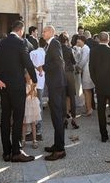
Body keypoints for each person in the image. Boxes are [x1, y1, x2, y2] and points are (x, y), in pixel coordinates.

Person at [0, 20, 37, 162]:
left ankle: (6, 152)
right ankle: (16, 152)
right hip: (17, 86)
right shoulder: (21, 43)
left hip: (3, 86)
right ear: (21, 30)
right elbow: (28, 63)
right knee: (18, 118)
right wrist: (35, 79)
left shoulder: (1, 43)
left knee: (5, 117)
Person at [89, 31, 110, 144]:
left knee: (101, 111)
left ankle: (104, 135)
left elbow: (91, 69)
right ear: (108, 39)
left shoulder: (93, 51)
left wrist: (96, 82)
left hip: (100, 85)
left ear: (99, 39)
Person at [41, 25, 67, 161]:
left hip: (56, 84)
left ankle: (60, 150)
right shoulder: (50, 44)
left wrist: (43, 67)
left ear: (51, 32)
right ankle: (57, 144)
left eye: (44, 31)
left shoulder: (55, 43)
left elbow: (58, 63)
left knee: (57, 115)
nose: (42, 33)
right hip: (55, 83)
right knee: (55, 115)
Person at [59, 33, 79, 129]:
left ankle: (64, 119)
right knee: (72, 97)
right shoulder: (68, 49)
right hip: (69, 73)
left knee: (63, 96)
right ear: (66, 41)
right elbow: (73, 62)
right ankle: (74, 119)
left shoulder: (58, 49)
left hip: (61, 74)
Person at [29, 35, 47, 140]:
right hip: (42, 82)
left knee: (32, 105)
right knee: (39, 105)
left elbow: (29, 66)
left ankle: (34, 130)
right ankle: (38, 129)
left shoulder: (33, 53)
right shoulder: (46, 54)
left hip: (32, 82)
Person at [22, 73, 41, 149]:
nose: (28, 77)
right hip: (26, 105)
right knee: (24, 123)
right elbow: (25, 95)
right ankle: (23, 139)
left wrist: (34, 89)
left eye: (29, 75)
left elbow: (36, 95)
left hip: (32, 105)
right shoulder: (24, 85)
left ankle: (34, 140)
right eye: (27, 75)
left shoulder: (33, 84)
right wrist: (31, 89)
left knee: (33, 123)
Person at [76, 35, 94, 116]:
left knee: (86, 90)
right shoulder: (83, 48)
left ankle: (89, 109)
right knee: (87, 90)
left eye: (78, 41)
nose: (77, 43)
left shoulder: (85, 48)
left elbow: (83, 60)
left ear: (82, 41)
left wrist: (78, 67)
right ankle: (88, 108)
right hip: (86, 70)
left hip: (87, 71)